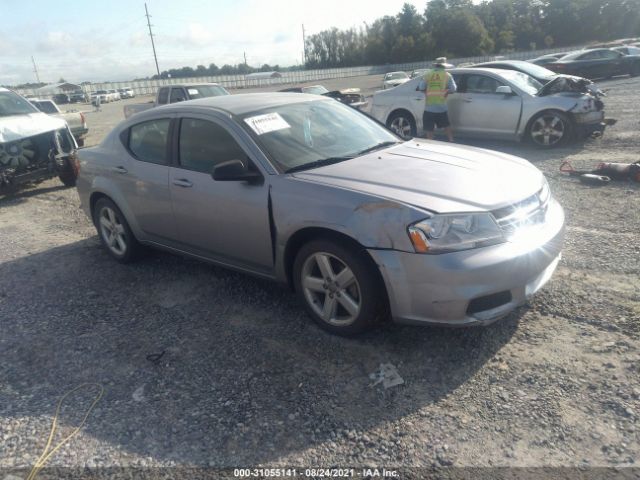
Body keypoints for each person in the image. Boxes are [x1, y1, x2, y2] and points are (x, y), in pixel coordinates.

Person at [418, 57, 456, 142]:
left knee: (429, 129)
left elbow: (421, 87)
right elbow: (453, 89)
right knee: (446, 125)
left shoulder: (428, 74)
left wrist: (427, 92)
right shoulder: (447, 75)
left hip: (429, 107)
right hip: (441, 106)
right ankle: (451, 141)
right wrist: (447, 92)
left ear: (436, 65)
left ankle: (430, 144)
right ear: (444, 65)